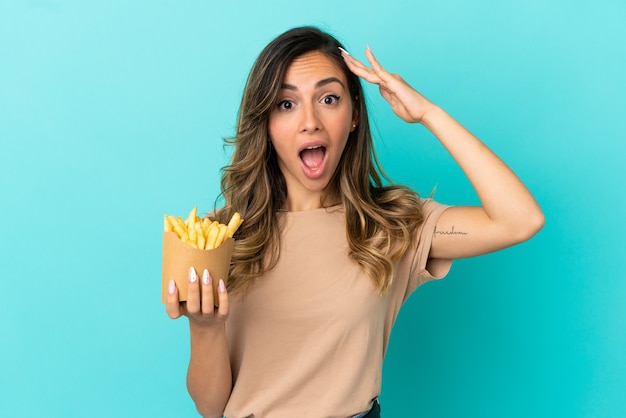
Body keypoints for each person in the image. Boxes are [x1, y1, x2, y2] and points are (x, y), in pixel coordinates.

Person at [165, 26, 545, 418]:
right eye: (286, 104)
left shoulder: (393, 227)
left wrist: (428, 114)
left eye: (329, 98)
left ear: (354, 115)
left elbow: (520, 220)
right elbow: (211, 408)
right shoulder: (218, 236)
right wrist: (205, 328)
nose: (310, 121)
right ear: (264, 122)